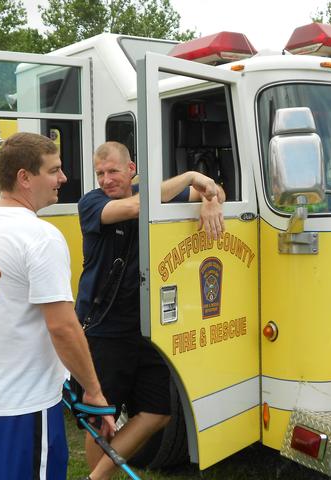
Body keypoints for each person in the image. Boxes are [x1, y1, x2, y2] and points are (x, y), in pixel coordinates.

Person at [0, 132, 115, 480]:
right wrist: (94, 391)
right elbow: (62, 327)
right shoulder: (40, 236)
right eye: (54, 170)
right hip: (24, 409)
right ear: (24, 178)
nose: (63, 178)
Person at [75, 141, 225, 480]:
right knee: (101, 416)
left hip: (147, 326)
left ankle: (94, 478)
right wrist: (189, 177)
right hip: (104, 327)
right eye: (100, 173)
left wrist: (211, 201)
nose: (105, 179)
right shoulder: (91, 203)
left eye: (112, 171)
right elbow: (137, 206)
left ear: (131, 170)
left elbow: (221, 191)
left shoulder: (150, 191)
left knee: (158, 411)